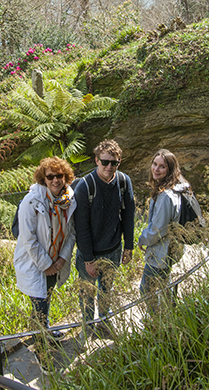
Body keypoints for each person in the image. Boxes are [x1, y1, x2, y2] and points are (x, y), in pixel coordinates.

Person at [74, 139, 135, 337]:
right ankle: (88, 326)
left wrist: (129, 246)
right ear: (96, 161)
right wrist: (88, 260)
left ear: (119, 162)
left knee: (107, 289)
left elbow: (128, 214)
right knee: (87, 292)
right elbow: (80, 227)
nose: (109, 167)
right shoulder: (85, 187)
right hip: (89, 252)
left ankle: (105, 322)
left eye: (114, 163)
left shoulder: (124, 182)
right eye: (105, 162)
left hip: (114, 248)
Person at [13, 156, 76, 345]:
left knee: (45, 299)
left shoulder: (69, 200)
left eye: (59, 176)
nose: (55, 180)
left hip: (56, 261)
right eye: (50, 177)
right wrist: (46, 264)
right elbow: (27, 238)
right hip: (35, 263)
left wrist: (62, 259)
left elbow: (71, 232)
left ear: (65, 177)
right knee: (39, 303)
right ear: (43, 179)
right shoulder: (31, 201)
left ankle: (44, 331)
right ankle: (41, 347)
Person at [138, 148, 190, 306]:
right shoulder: (177, 188)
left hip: (162, 252)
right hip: (169, 249)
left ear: (170, 170)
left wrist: (142, 240)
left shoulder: (166, 196)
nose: (156, 169)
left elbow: (157, 230)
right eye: (154, 164)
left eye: (162, 166)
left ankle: (156, 324)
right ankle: (171, 317)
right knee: (164, 285)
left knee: (146, 289)